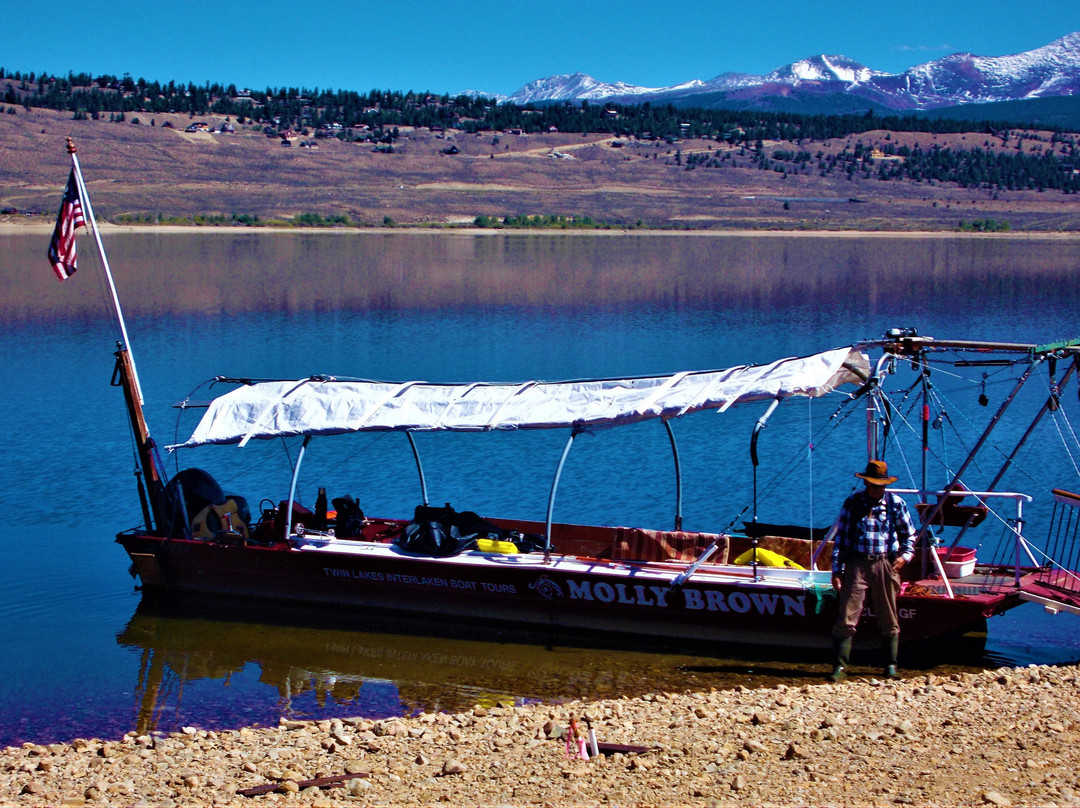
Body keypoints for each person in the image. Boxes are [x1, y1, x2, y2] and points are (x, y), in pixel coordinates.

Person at [829, 459, 917, 682]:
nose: (877, 489)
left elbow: (910, 536)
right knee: (847, 617)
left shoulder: (896, 504)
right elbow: (841, 539)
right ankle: (839, 667)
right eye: (873, 484)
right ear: (866, 484)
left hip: (885, 564)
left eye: (881, 485)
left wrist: (904, 558)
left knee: (888, 616)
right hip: (857, 564)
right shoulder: (853, 503)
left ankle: (890, 666)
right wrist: (837, 569)